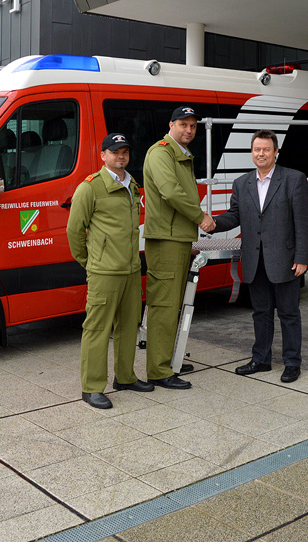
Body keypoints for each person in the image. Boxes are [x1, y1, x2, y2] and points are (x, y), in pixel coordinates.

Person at [211, 129, 308, 383]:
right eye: (257, 149)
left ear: (276, 152)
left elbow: (303, 223)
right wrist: (212, 222)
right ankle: (261, 359)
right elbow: (234, 216)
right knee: (261, 312)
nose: (261, 154)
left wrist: (302, 257)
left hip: (286, 260)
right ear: (252, 152)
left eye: (266, 149)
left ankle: (292, 363)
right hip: (255, 261)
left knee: (289, 313)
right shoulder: (242, 183)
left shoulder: (294, 179)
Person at [67, 133, 154, 409]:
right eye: (115, 152)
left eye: (125, 152)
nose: (121, 156)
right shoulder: (90, 188)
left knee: (129, 326)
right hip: (104, 273)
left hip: (130, 270)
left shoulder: (132, 185)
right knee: (97, 329)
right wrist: (92, 262)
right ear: (103, 155)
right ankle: (92, 387)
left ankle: (125, 377)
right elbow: (73, 231)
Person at [141, 106, 214, 389]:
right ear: (171, 125)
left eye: (193, 126)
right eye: (183, 124)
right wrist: (200, 217)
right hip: (166, 240)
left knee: (174, 306)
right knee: (164, 306)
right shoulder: (161, 152)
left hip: (178, 239)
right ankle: (159, 371)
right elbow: (171, 192)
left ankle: (168, 361)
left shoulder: (179, 153)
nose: (189, 130)